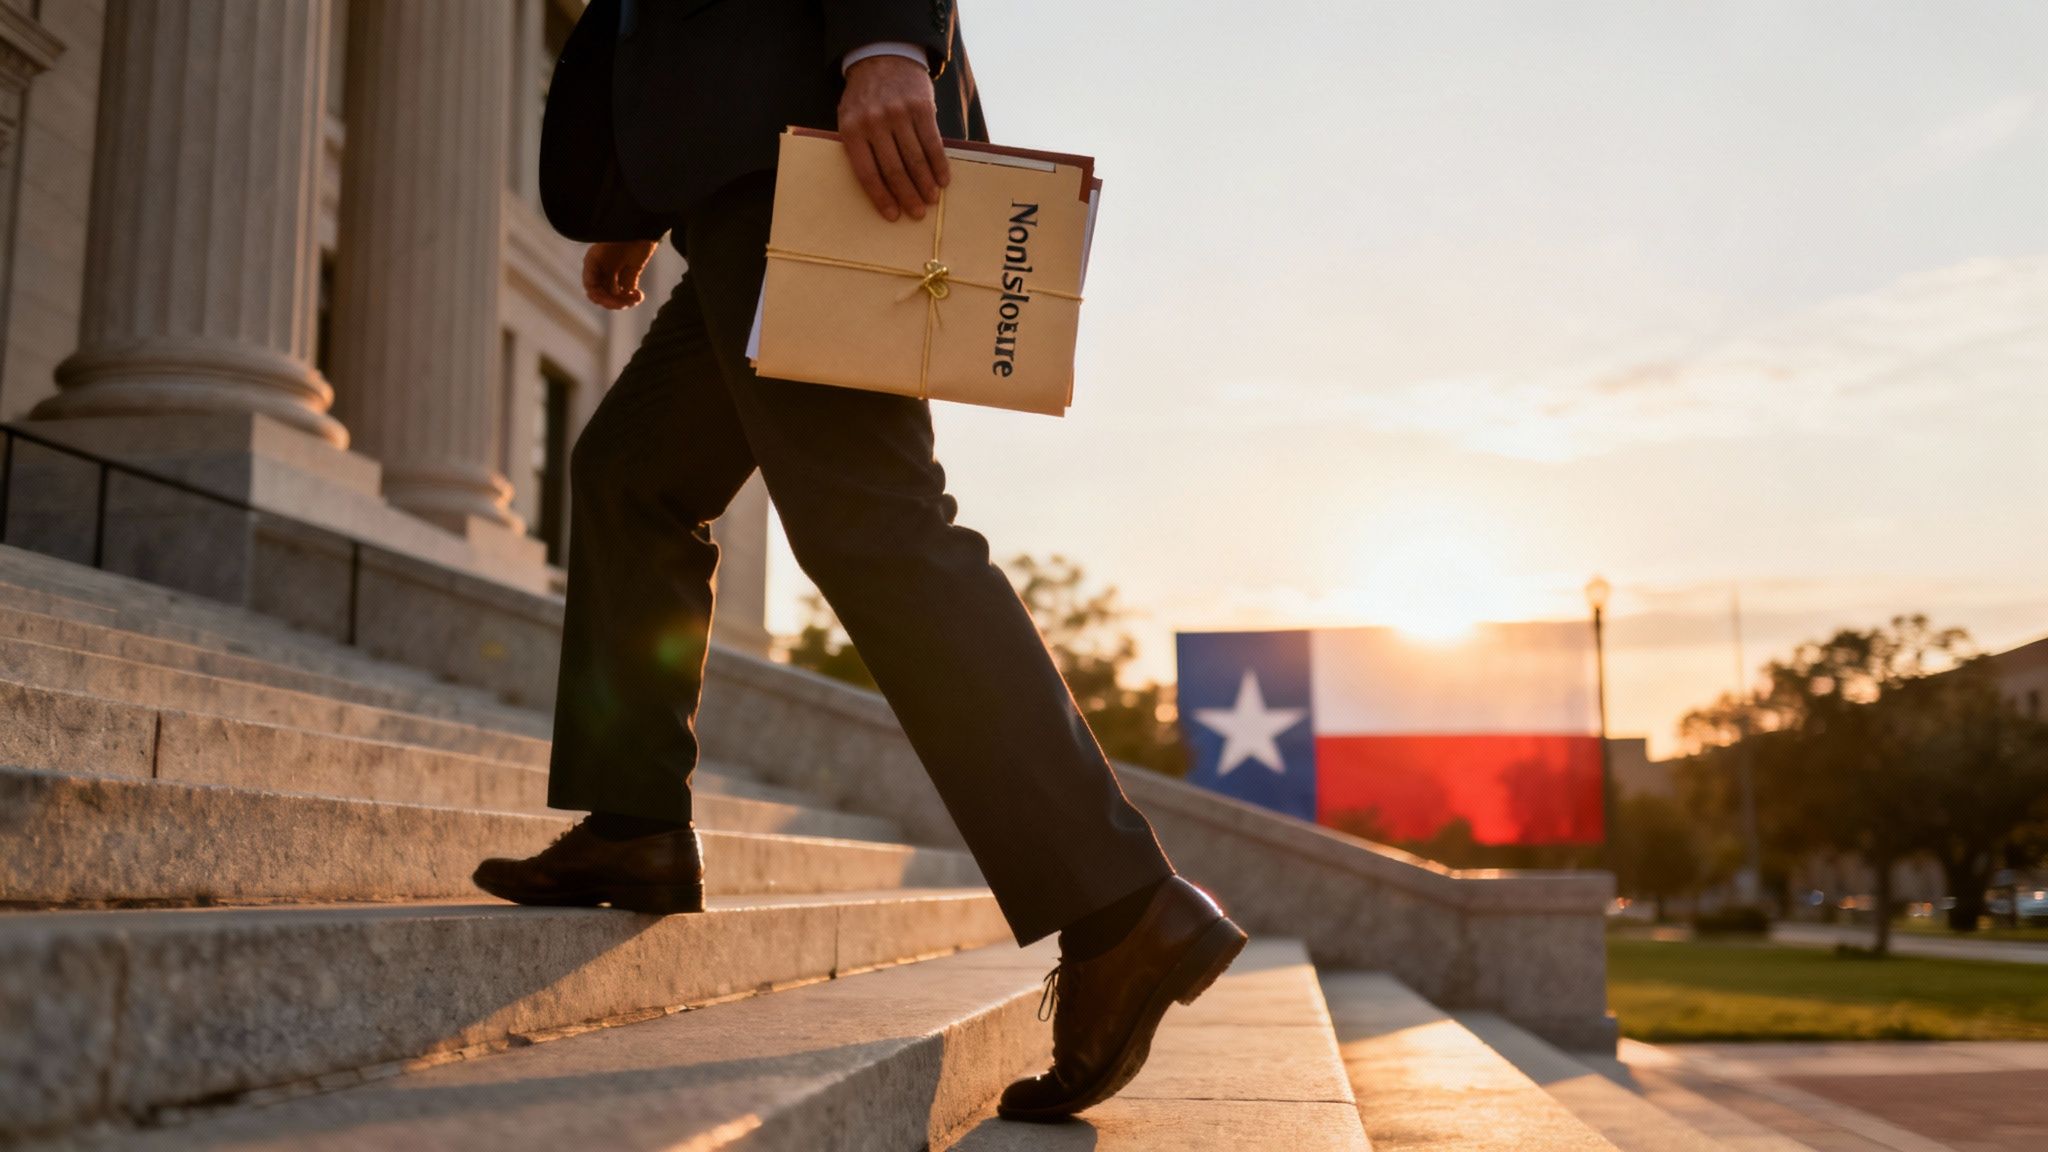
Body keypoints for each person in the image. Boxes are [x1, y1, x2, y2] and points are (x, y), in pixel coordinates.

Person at [471, 0, 1245, 1121]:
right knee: (630, 476)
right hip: (738, 163)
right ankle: (634, 827)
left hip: (808, 145)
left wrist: (884, 42)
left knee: (875, 527)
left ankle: (1121, 907)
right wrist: (635, 194)